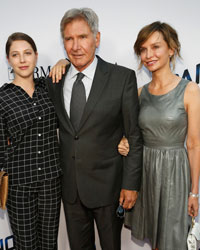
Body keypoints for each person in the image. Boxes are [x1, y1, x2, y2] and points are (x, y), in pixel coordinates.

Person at [46, 7, 143, 250]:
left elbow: (133, 135)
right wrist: (62, 62)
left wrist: (131, 184)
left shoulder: (122, 78)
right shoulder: (54, 81)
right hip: (70, 190)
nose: (75, 46)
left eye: (83, 37)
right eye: (69, 39)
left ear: (96, 38)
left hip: (109, 188)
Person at [118, 21, 200, 250]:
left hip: (175, 172)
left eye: (155, 47)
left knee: (172, 240)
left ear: (171, 49)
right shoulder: (140, 93)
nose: (148, 55)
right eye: (143, 50)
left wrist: (194, 192)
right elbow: (134, 136)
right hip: (145, 173)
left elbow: (194, 145)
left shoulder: (190, 90)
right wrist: (125, 144)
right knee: (156, 240)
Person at [0, 32, 62, 250]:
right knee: (25, 245)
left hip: (51, 180)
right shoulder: (2, 97)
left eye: (27, 53)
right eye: (15, 55)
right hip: (19, 184)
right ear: (8, 60)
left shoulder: (50, 87)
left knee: (49, 244)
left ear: (36, 56)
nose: (22, 59)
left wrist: (63, 61)